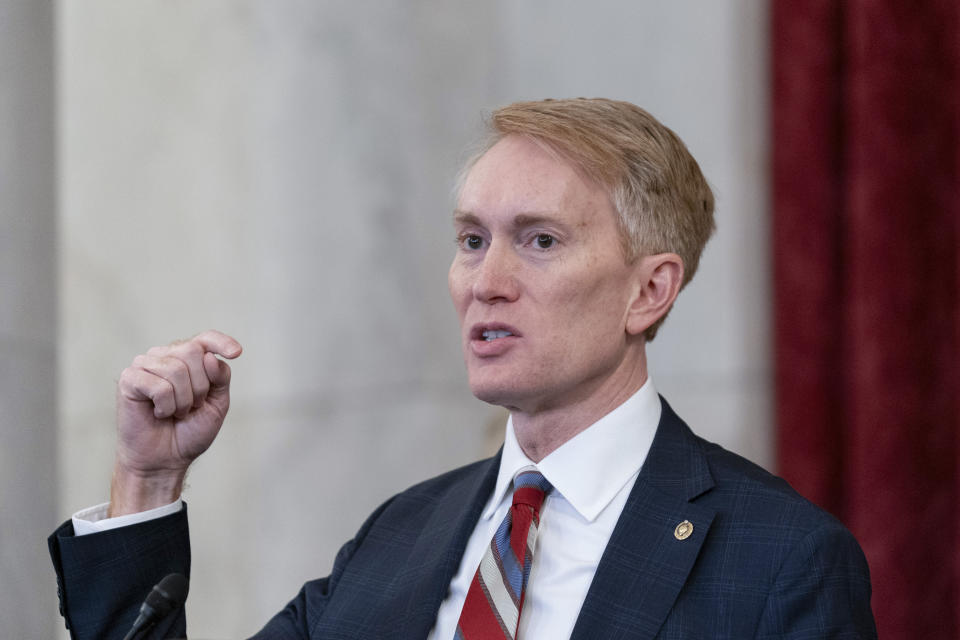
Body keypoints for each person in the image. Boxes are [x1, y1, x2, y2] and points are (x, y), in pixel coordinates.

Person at [49, 98, 877, 639]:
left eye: (540, 241)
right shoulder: (398, 538)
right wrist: (149, 482)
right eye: (472, 241)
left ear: (648, 291)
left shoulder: (781, 561)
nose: (486, 282)